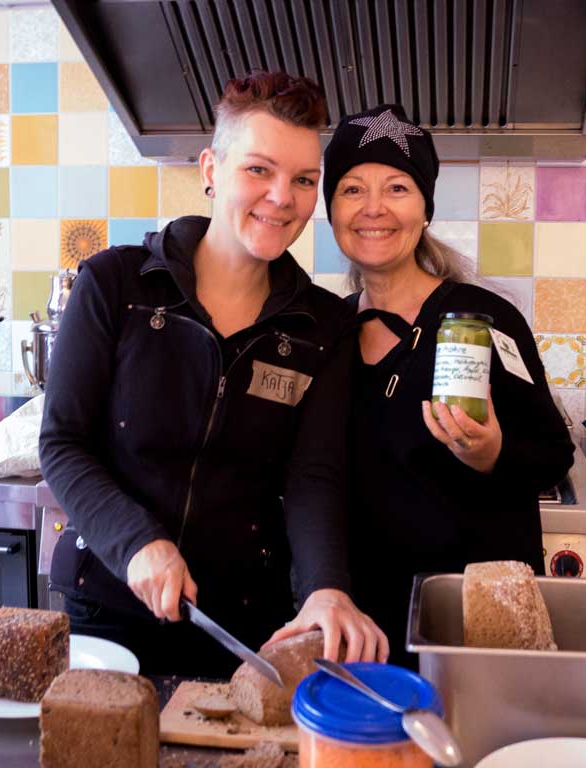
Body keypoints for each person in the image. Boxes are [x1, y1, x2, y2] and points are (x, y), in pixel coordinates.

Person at [40, 72, 387, 677]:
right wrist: (136, 543)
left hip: (245, 628)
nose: (282, 197)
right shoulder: (114, 285)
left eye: (304, 180)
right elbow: (63, 444)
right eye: (259, 170)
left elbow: (313, 476)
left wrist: (325, 588)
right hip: (107, 606)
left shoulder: (321, 327)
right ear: (210, 169)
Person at [320, 104, 575, 666]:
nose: (374, 208)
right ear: (332, 209)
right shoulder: (328, 331)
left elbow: (553, 452)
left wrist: (492, 454)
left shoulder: (480, 321)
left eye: (397, 187)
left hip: (471, 624)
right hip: (362, 624)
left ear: (425, 209)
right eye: (352, 189)